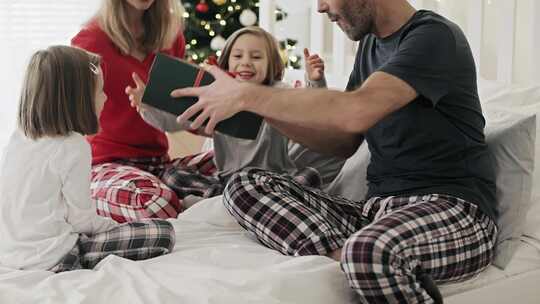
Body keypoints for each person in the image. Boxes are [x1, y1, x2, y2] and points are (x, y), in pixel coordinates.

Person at [170, 0, 498, 302]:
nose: (321, 7)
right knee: (245, 184)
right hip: (375, 212)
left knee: (369, 251)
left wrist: (248, 95)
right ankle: (343, 257)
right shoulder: (371, 46)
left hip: (454, 211)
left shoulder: (434, 37)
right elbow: (343, 141)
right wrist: (261, 110)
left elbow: (356, 110)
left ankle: (359, 258)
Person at [0, 46, 175, 273]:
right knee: (163, 233)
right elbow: (82, 220)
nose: (105, 97)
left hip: (8, 254)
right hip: (55, 257)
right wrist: (117, 226)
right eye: (100, 90)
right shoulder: (73, 147)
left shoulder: (19, 138)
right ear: (78, 99)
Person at [127, 26, 344, 207]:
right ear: (227, 63)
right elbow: (177, 121)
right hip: (229, 180)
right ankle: (221, 199)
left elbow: (310, 109)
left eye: (256, 57)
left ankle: (224, 202)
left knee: (308, 177)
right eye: (238, 56)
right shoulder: (215, 95)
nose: (246, 62)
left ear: (272, 64)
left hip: (273, 178)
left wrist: (314, 81)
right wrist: (146, 107)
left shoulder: (278, 92)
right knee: (173, 176)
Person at [71, 0, 203, 222]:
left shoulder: (171, 36)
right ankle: (177, 201)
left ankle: (176, 198)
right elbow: (74, 115)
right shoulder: (91, 41)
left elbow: (179, 111)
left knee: (233, 172)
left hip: (160, 164)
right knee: (155, 204)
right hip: (107, 164)